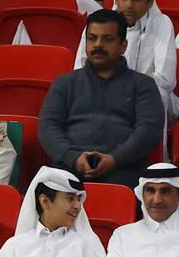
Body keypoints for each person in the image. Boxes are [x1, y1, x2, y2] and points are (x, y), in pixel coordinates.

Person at [41, 10, 165, 187]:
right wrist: (74, 157)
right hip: (68, 167)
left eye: (107, 39)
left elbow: (148, 130)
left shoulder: (143, 85)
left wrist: (115, 159)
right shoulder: (65, 82)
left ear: (123, 45)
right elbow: (48, 127)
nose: (98, 45)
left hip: (124, 168)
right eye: (92, 38)